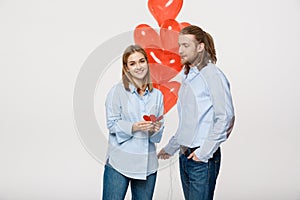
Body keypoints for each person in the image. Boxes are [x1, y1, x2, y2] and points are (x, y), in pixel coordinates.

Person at [157, 25, 235, 200]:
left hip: (201, 158)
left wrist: (203, 153)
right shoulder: (188, 77)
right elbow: (188, 122)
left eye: (186, 45)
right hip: (185, 156)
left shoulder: (212, 75)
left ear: (200, 47)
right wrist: (171, 148)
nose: (180, 50)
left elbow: (226, 117)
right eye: (179, 45)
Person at [102, 44, 164, 200]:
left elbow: (157, 136)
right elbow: (111, 124)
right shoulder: (117, 92)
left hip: (147, 166)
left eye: (142, 61)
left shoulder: (157, 95)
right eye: (132, 63)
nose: (139, 67)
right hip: (119, 163)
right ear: (126, 68)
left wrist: (155, 129)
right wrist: (133, 127)